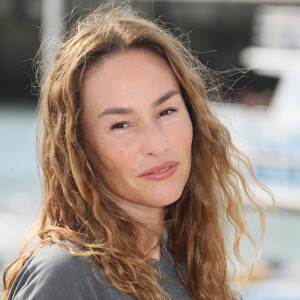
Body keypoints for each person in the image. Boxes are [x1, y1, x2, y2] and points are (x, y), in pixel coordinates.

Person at [2, 2, 273, 300]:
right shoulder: (68, 276)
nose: (157, 145)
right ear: (79, 148)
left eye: (167, 111)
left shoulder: (184, 267)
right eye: (121, 125)